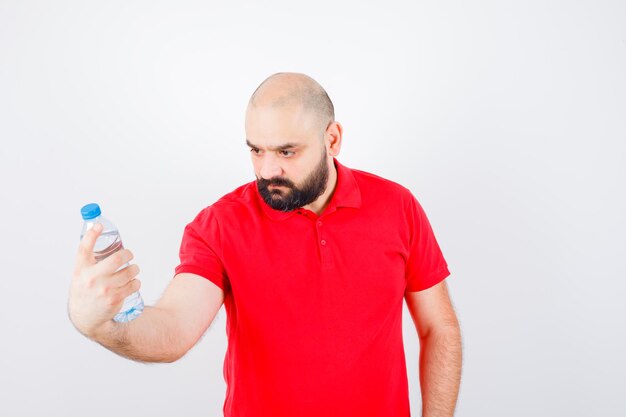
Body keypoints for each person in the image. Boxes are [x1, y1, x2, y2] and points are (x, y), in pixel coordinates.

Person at [68, 72, 462, 417]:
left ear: (332, 139)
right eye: (256, 150)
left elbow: (438, 327)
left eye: (287, 151)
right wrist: (101, 326)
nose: (268, 169)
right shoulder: (220, 225)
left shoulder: (397, 207)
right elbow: (174, 330)